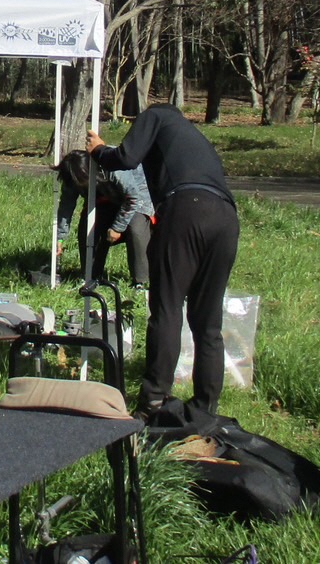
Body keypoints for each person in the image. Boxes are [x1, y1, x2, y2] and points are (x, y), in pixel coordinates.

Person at [87, 103, 239, 416]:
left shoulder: (157, 115)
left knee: (167, 308)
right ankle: (205, 408)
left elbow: (127, 158)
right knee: (208, 323)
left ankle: (154, 400)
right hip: (226, 216)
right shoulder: (192, 137)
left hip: (186, 209)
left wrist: (100, 151)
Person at [55, 149, 153, 288]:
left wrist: (117, 227)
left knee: (135, 228)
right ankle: (91, 276)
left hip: (137, 200)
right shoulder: (73, 174)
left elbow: (133, 198)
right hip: (104, 203)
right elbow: (66, 205)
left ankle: (140, 282)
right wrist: (59, 237)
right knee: (88, 227)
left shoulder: (113, 164)